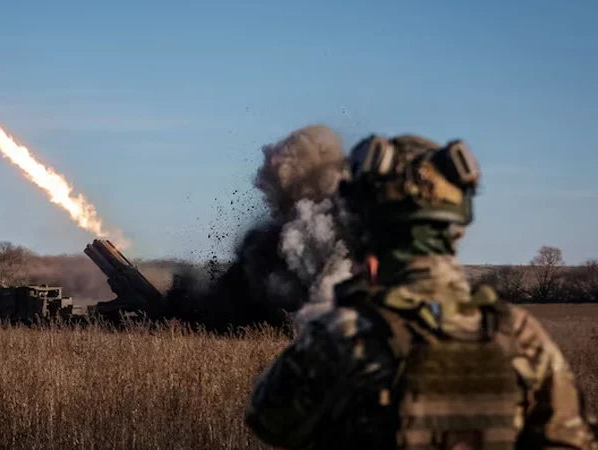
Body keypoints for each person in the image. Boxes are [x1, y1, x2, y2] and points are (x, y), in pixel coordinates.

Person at [244, 134, 598, 449]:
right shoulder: (521, 338)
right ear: (456, 226)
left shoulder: (340, 337)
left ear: (363, 224)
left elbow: (269, 422)